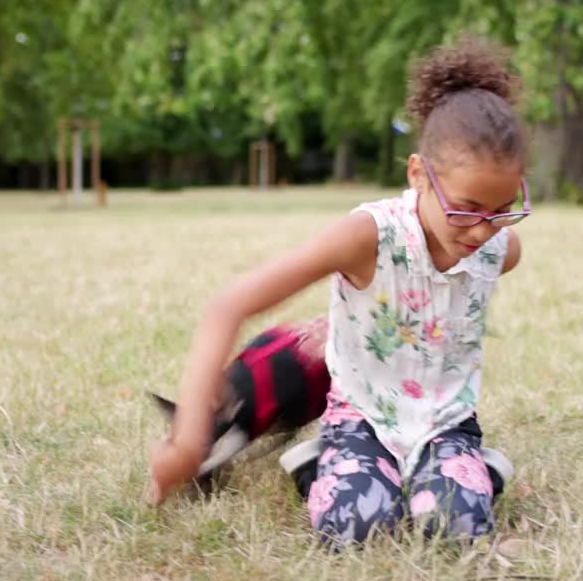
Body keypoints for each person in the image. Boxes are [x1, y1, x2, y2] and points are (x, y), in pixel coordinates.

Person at [147, 37, 529, 548]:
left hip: (446, 424)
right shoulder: (369, 237)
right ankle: (319, 463)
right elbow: (229, 305)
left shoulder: (499, 249)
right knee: (355, 527)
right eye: (467, 207)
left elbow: (438, 307)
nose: (483, 230)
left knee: (454, 529)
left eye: (502, 208)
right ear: (418, 174)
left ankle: (475, 470)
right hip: (362, 419)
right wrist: (190, 437)